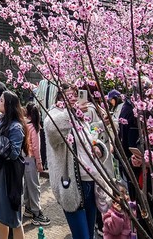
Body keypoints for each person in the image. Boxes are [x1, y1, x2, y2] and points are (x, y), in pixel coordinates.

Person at [44, 84, 111, 239]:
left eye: (75, 94)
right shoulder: (56, 114)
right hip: (73, 185)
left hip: (90, 181)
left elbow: (89, 138)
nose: (74, 98)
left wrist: (99, 147)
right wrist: (73, 111)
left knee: (90, 233)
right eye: (69, 95)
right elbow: (51, 129)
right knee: (82, 236)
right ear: (60, 97)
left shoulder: (79, 117)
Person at [0, 92, 29, 238]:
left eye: (2, 100)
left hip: (9, 176)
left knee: (14, 219)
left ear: (9, 104)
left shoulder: (16, 127)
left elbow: (14, 153)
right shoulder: (1, 118)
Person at [22, 103, 51, 226]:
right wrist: (39, 163)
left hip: (23, 158)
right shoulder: (34, 127)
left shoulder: (23, 124)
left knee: (28, 185)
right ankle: (36, 213)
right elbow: (36, 147)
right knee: (34, 185)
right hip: (31, 159)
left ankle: (28, 208)